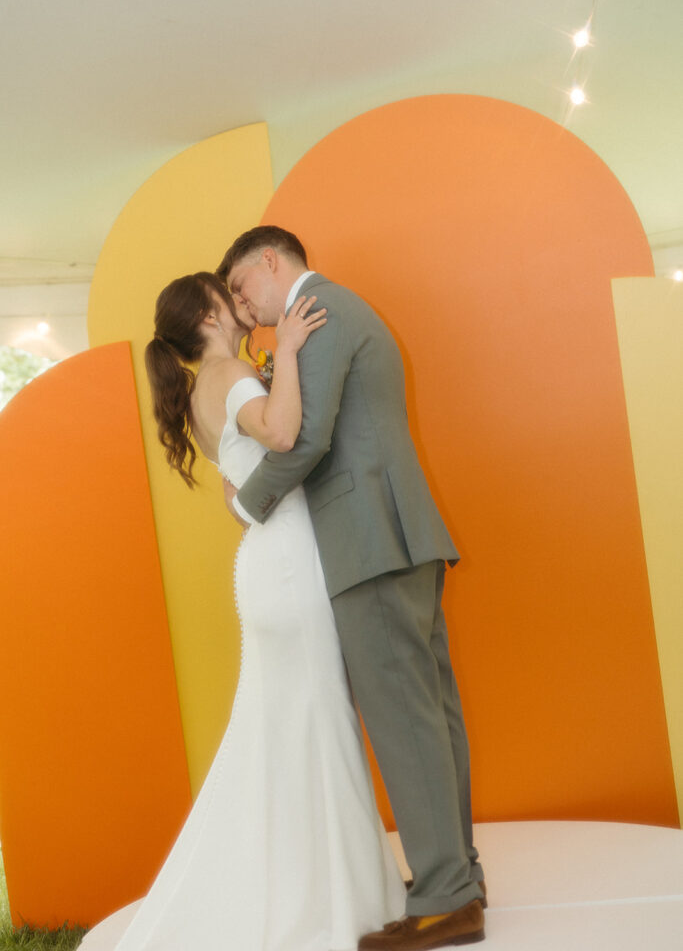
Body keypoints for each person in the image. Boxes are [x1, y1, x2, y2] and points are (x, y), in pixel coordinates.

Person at [77, 271, 405, 951]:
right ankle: (339, 898)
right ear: (207, 312)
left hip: (263, 561)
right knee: (317, 717)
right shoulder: (233, 373)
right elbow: (284, 435)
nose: (241, 303)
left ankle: (308, 885)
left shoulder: (199, 387)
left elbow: (236, 499)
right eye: (227, 295)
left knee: (282, 725)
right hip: (288, 566)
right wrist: (285, 350)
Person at [217, 227, 486, 950]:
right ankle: (455, 877)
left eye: (242, 289)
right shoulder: (329, 313)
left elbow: (306, 441)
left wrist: (245, 504)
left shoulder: (322, 312)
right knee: (429, 712)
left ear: (268, 262)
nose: (246, 309)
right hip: (397, 535)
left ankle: (447, 897)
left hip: (369, 541)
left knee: (405, 719)